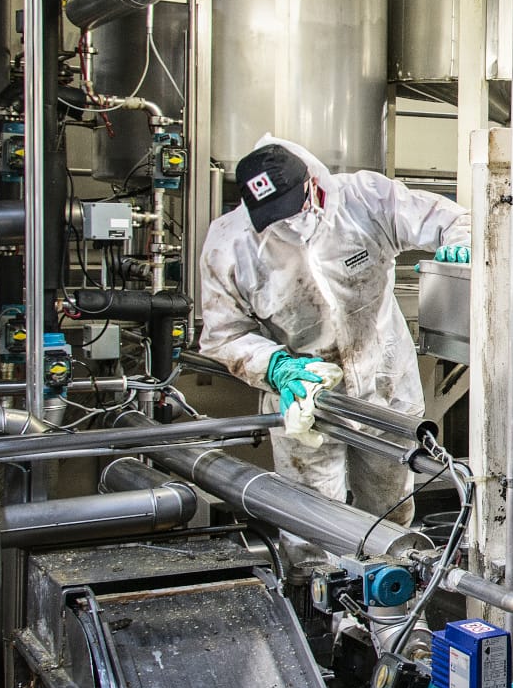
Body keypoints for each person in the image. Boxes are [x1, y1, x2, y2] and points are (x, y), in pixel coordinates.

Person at [198, 136, 471, 525]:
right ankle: (309, 584)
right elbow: (224, 334)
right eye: (272, 216)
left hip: (384, 384)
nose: (287, 222)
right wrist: (275, 367)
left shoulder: (365, 198)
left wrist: (462, 247)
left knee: (389, 511)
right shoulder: (230, 244)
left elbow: (454, 220)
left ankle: (386, 576)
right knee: (308, 519)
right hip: (305, 396)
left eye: (291, 207)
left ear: (311, 181)